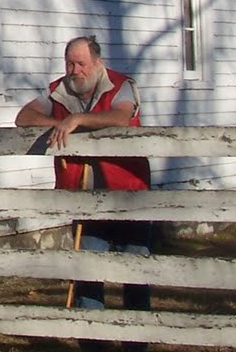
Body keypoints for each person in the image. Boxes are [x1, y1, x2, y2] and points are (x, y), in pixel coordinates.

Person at [15, 35, 151, 320]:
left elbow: (121, 117)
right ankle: (90, 336)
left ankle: (138, 336)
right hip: (84, 198)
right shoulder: (60, 91)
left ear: (98, 63)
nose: (75, 70)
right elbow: (24, 117)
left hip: (128, 194)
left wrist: (77, 120)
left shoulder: (121, 86)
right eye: (70, 64)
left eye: (81, 63)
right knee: (87, 271)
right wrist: (60, 124)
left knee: (136, 270)